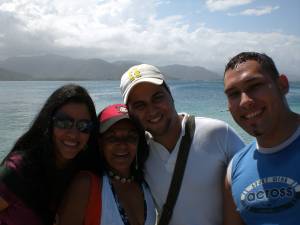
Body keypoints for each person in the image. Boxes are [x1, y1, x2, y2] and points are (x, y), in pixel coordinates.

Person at [119, 64, 245, 225]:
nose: (151, 110)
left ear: (170, 95)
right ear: (130, 112)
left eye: (157, 97)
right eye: (140, 105)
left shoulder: (217, 133)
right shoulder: (138, 154)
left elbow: (253, 187)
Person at [0, 84, 101, 225]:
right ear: (49, 122)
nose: (73, 134)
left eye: (84, 125)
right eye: (64, 122)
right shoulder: (19, 169)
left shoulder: (82, 173)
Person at [223, 52, 300, 225]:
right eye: (233, 94)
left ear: (282, 85)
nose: (244, 102)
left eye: (255, 86)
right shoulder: (234, 169)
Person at [56, 103, 156, 225]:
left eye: (131, 137)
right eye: (112, 138)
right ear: (100, 143)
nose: (122, 145)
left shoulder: (147, 182)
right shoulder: (86, 185)